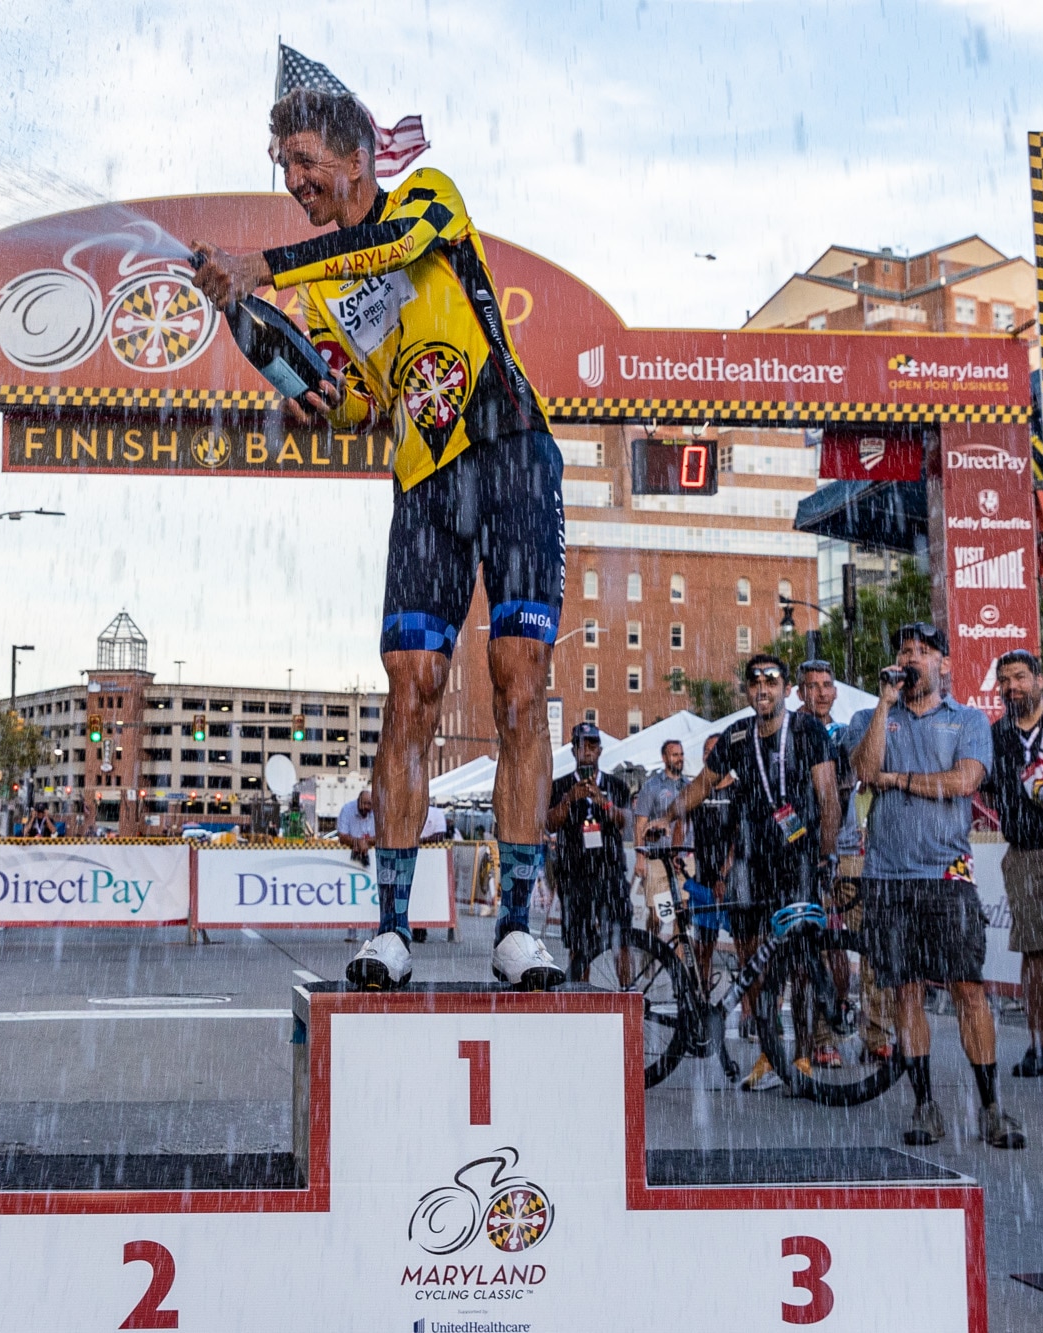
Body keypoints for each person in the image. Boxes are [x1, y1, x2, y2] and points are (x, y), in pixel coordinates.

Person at [195, 89, 563, 992]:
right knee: (411, 691)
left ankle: (516, 928)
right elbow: (362, 397)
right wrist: (309, 400)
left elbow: (392, 249)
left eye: (307, 162)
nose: (295, 180)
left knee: (518, 683)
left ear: (358, 159)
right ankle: (392, 926)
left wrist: (264, 266)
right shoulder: (318, 288)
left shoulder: (428, 196)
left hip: (511, 447)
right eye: (285, 168)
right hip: (424, 477)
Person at [845, 622, 1025, 1150]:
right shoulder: (872, 715)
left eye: (923, 652)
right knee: (907, 992)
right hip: (887, 876)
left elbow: (964, 781)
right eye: (905, 650)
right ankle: (925, 1104)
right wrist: (884, 703)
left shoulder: (968, 720)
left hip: (946, 876)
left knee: (970, 990)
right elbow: (863, 768)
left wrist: (900, 782)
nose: (912, 659)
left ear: (945, 664)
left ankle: (992, 1107)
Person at [680, 654, 840, 1092]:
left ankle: (802, 1055)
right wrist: (668, 814)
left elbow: (828, 796)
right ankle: (770, 1053)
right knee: (754, 957)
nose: (763, 688)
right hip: (752, 859)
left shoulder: (807, 730)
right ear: (747, 691)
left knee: (803, 960)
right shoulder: (735, 736)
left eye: (771, 681)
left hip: (799, 858)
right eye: (755, 682)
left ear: (787, 689)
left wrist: (827, 857)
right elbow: (700, 785)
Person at [797, 659, 894, 1066]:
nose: (821, 692)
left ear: (835, 691)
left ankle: (875, 1036)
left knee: (872, 945)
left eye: (827, 685)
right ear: (799, 692)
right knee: (818, 951)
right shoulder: (789, 735)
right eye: (812, 686)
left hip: (852, 852)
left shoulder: (844, 729)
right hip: (805, 857)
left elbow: (861, 772)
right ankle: (822, 1040)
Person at [986, 650, 1043, 1080]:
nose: (1011, 686)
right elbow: (981, 787)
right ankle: (1040, 1048)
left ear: (1039, 679)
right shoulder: (995, 735)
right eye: (1004, 680)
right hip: (1024, 854)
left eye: (1019, 677)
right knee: (1035, 954)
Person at [544, 723, 632, 981]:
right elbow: (549, 824)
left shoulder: (616, 785)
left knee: (621, 939)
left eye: (592, 745)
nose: (587, 751)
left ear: (600, 750)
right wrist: (569, 799)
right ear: (573, 750)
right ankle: (582, 1002)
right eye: (581, 745)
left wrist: (603, 803)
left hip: (610, 870)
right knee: (579, 943)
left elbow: (626, 824)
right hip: (574, 874)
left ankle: (628, 995)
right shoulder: (559, 786)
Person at [687, 733, 739, 992]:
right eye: (706, 751)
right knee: (703, 946)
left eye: (714, 751)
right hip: (703, 879)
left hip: (732, 882)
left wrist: (724, 874)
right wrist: (678, 852)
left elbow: (738, 838)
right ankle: (701, 994)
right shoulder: (698, 790)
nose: (710, 755)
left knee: (745, 948)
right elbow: (682, 819)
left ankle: (749, 1012)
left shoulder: (739, 789)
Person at [633, 741, 692, 934]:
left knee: (682, 916)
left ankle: (678, 964)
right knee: (658, 916)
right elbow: (640, 823)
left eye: (681, 754)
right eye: (674, 755)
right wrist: (640, 857)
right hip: (658, 859)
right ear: (664, 758)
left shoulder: (689, 786)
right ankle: (651, 956)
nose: (679, 758)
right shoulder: (652, 786)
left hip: (683, 859)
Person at [337, 787, 376, 864]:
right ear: (358, 801)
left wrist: (363, 842)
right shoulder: (347, 809)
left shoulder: (377, 811)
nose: (366, 807)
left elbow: (381, 838)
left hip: (373, 856)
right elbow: (342, 836)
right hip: (347, 856)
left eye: (369, 804)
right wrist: (358, 842)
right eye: (364, 803)